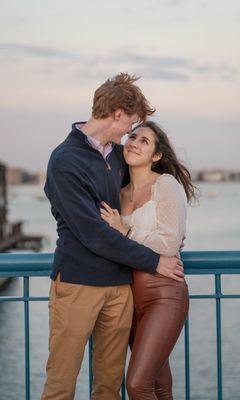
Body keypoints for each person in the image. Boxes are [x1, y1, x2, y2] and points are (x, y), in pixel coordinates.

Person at [41, 73, 185, 400]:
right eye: (131, 123)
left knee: (108, 389)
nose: (130, 133)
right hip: (78, 285)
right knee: (60, 386)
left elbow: (152, 187)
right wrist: (154, 260)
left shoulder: (118, 156)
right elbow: (95, 234)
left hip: (120, 288)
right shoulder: (65, 161)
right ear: (118, 114)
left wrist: (166, 233)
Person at [100, 121, 196, 400]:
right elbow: (108, 244)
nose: (134, 142)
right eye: (133, 136)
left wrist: (125, 231)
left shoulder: (165, 184)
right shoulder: (118, 194)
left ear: (157, 156)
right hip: (127, 299)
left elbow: (169, 242)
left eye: (145, 141)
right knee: (158, 385)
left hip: (164, 294)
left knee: (137, 384)